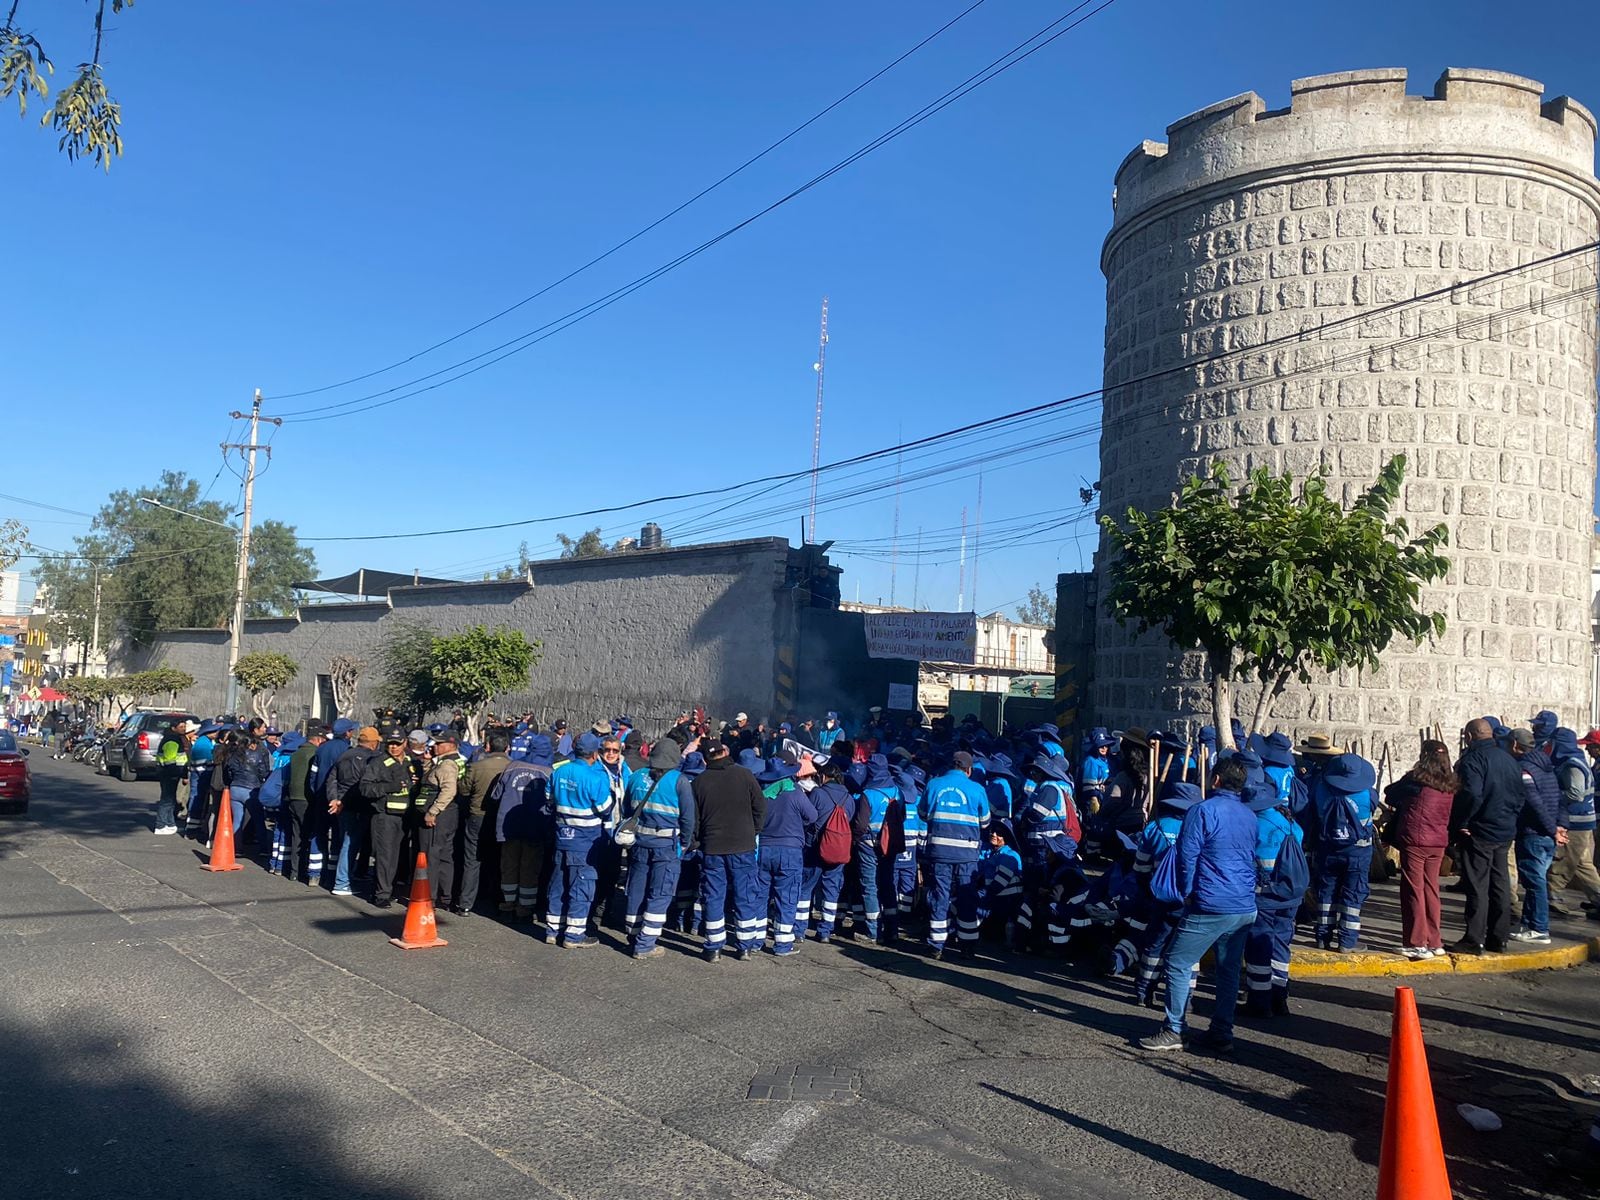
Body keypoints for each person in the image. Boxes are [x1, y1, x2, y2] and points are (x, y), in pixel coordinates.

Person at [1139, 757, 1258, 1054]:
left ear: (1215, 780)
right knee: (1228, 970)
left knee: (1178, 961)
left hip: (1211, 902)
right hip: (1244, 905)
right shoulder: (1250, 815)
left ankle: (1175, 1029)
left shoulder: (1201, 811)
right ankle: (1221, 1032)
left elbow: (1186, 857)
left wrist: (1187, 892)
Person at [1451, 717, 1525, 954]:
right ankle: (1498, 937)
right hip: (1504, 829)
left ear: (1470, 736)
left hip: (1480, 830)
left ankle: (1474, 938)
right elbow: (1520, 794)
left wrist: (1462, 822)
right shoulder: (1509, 759)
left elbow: (1471, 794)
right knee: (1500, 883)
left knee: (1477, 885)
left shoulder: (1472, 760)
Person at [621, 737, 697, 958]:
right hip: (666, 845)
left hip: (639, 843)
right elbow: (688, 818)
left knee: (636, 889)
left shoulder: (636, 777)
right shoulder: (679, 781)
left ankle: (633, 935)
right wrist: (684, 843)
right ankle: (645, 945)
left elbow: (627, 810)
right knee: (660, 893)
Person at [692, 739, 767, 961]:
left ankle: (714, 946)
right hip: (743, 846)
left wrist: (698, 842)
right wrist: (753, 831)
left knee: (714, 895)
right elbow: (760, 808)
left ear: (705, 758)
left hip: (712, 847)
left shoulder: (699, 782)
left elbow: (694, 821)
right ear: (725, 752)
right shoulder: (744, 775)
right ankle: (745, 946)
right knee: (745, 894)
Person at [1383, 740, 1457, 959]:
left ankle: (1416, 942)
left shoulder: (1415, 781)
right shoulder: (1450, 783)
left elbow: (1390, 793)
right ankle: (1435, 941)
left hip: (1416, 839)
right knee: (1431, 890)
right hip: (1438, 841)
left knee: (1413, 891)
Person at [1242, 775, 1305, 1016]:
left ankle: (1259, 1001)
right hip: (1291, 896)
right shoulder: (1290, 823)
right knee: (1281, 944)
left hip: (1265, 895)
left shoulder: (1254, 826)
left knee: (1259, 946)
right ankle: (1280, 996)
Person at [546, 732, 614, 948]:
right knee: (581, 887)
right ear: (595, 754)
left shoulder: (559, 771)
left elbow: (549, 799)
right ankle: (574, 936)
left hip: (562, 836)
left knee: (558, 884)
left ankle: (552, 930)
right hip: (585, 842)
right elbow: (605, 809)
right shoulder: (595, 778)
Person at [919, 750, 990, 959]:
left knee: (940, 895)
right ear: (969, 770)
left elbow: (923, 815)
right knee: (967, 897)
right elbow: (985, 822)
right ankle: (967, 946)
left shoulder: (933, 784)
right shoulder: (977, 789)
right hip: (966, 855)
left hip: (939, 852)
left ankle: (936, 944)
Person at [1310, 751, 1377, 952]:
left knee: (1326, 894)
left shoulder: (1321, 789)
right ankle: (1347, 942)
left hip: (1328, 849)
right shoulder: (1368, 794)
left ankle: (1322, 937)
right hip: (1358, 852)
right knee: (1353, 897)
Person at [755, 753, 817, 957]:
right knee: (787, 896)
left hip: (763, 849)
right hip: (790, 851)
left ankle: (754, 940)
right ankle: (782, 944)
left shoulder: (760, 793)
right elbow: (812, 816)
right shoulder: (794, 792)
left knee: (760, 895)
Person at [1509, 727, 1562, 945]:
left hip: (1534, 833)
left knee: (1534, 881)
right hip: (1546, 833)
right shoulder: (1547, 767)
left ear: (1514, 745)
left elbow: (1535, 804)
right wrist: (1560, 827)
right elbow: (1561, 799)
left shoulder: (1524, 770)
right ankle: (1530, 923)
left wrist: (1553, 830)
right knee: (1535, 880)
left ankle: (1539, 928)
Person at [493, 732, 554, 920]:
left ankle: (507, 905)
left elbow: (495, 796)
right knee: (529, 868)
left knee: (509, 865)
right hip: (535, 828)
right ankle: (524, 909)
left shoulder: (512, 766)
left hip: (508, 826)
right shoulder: (548, 772)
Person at [358, 728, 419, 909]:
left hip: (405, 816)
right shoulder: (378, 763)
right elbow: (365, 788)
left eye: (397, 744)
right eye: (390, 744)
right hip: (384, 816)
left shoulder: (409, 762)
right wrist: (388, 787)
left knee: (397, 856)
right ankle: (381, 894)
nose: (393, 747)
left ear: (405, 743)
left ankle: (390, 889)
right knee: (385, 856)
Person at [454, 726, 510, 915]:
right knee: (498, 859)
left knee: (472, 860)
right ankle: (495, 899)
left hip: (476, 816)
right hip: (500, 819)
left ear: (487, 746)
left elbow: (463, 790)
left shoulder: (476, 766)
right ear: (507, 748)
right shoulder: (512, 767)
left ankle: (465, 903)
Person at [1549, 727, 1600, 920]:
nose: (1587, 749)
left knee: (1562, 863)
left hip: (1576, 823)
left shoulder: (1572, 766)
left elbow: (1575, 793)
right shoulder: (1577, 762)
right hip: (1584, 821)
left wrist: (1553, 795)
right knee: (1583, 865)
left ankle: (1553, 899)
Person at [327, 726, 381, 897]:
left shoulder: (344, 755)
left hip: (342, 804)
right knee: (350, 843)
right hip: (357, 806)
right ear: (373, 743)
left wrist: (334, 799)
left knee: (347, 841)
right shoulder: (371, 758)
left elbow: (332, 779)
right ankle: (342, 882)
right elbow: (361, 785)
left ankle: (350, 875)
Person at [418, 729, 464, 907]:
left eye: (438, 744)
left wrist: (433, 811)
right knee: (445, 855)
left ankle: (430, 897)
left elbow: (449, 790)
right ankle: (445, 896)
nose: (434, 746)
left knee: (433, 855)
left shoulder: (447, 765)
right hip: (448, 814)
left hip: (440, 816)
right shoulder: (446, 762)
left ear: (450, 745)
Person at [282, 723, 325, 882]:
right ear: (319, 740)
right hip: (306, 799)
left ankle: (294, 871)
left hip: (292, 798)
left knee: (296, 835)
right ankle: (307, 871)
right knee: (309, 835)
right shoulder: (314, 754)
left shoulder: (296, 753)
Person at [153, 719, 192, 835]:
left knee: (170, 800)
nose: (184, 729)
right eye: (181, 727)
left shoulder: (177, 739)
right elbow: (170, 760)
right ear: (173, 728)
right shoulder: (171, 740)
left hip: (173, 773)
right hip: (169, 774)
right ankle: (160, 825)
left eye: (184, 727)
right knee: (166, 800)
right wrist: (175, 774)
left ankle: (169, 823)